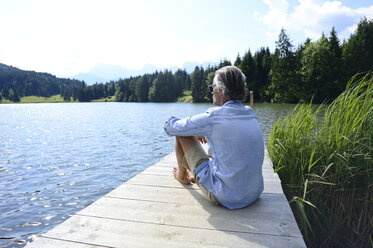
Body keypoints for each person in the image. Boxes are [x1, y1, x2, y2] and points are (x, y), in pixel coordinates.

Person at [164, 66, 264, 210]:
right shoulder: (250, 114)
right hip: (253, 193)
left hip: (226, 196)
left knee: (181, 133)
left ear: (221, 91)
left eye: (212, 88)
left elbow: (171, 127)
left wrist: (192, 129)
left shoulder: (214, 117)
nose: (212, 92)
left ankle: (182, 176)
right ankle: (194, 175)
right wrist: (197, 129)